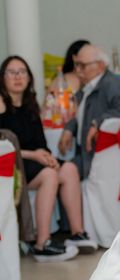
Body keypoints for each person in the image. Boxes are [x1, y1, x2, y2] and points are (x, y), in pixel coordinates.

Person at [0, 56, 95, 262]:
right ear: (3, 77)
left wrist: (48, 156)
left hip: (35, 160)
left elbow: (40, 142)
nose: (18, 77)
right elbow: (4, 146)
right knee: (50, 174)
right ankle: (42, 243)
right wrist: (35, 155)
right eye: (12, 72)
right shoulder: (1, 104)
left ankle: (77, 232)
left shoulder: (31, 104)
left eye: (22, 72)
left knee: (68, 168)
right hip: (13, 163)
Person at [58, 44, 120, 180]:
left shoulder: (112, 84)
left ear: (100, 66)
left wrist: (98, 122)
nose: (77, 70)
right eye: (76, 65)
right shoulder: (89, 86)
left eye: (82, 65)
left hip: (102, 158)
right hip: (85, 153)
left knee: (63, 174)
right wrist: (69, 128)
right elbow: (80, 115)